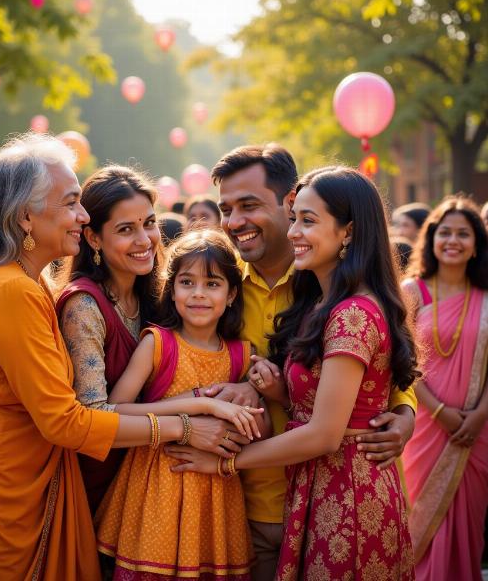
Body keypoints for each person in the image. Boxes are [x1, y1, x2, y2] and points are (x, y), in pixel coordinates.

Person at [0, 134, 197, 580]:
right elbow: (64, 421)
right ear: (25, 216)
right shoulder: (12, 291)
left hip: (8, 480)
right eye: (71, 204)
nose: (82, 216)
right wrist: (186, 427)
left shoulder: (27, 282)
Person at [167, 166, 419, 579]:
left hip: (348, 495)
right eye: (294, 218)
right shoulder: (322, 302)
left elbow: (324, 433)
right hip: (319, 488)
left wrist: (225, 463)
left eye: (308, 221)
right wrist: (279, 392)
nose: (293, 232)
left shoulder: (352, 313)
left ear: (349, 232)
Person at [96, 228, 261, 579]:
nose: (198, 294)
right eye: (187, 283)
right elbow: (115, 410)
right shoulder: (157, 344)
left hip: (215, 496)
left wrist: (254, 402)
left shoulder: (242, 355)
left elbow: (262, 426)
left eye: (212, 284)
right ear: (171, 292)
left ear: (232, 294)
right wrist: (202, 404)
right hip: (157, 486)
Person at [401, 196, 488, 581]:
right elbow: (400, 362)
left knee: (468, 528)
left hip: (476, 432)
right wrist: (439, 411)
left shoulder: (487, 298)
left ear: (476, 245)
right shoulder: (413, 292)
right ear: (432, 239)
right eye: (445, 232)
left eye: (463, 234)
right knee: (416, 522)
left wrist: (480, 414)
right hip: (422, 427)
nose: (453, 240)